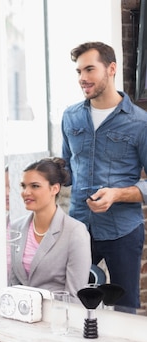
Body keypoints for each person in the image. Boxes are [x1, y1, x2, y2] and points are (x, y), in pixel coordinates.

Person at [61, 41, 147, 311]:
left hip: (122, 231)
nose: (83, 79)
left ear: (111, 69)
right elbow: (66, 170)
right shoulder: (70, 117)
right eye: (78, 72)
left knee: (125, 309)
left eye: (89, 69)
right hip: (77, 227)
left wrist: (117, 194)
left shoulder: (140, 123)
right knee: (72, 301)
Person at [9, 158, 91, 300]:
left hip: (58, 315)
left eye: (35, 186)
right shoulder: (15, 227)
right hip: (21, 314)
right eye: (23, 186)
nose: (26, 192)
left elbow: (74, 297)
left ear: (55, 188)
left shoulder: (75, 232)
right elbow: (12, 282)